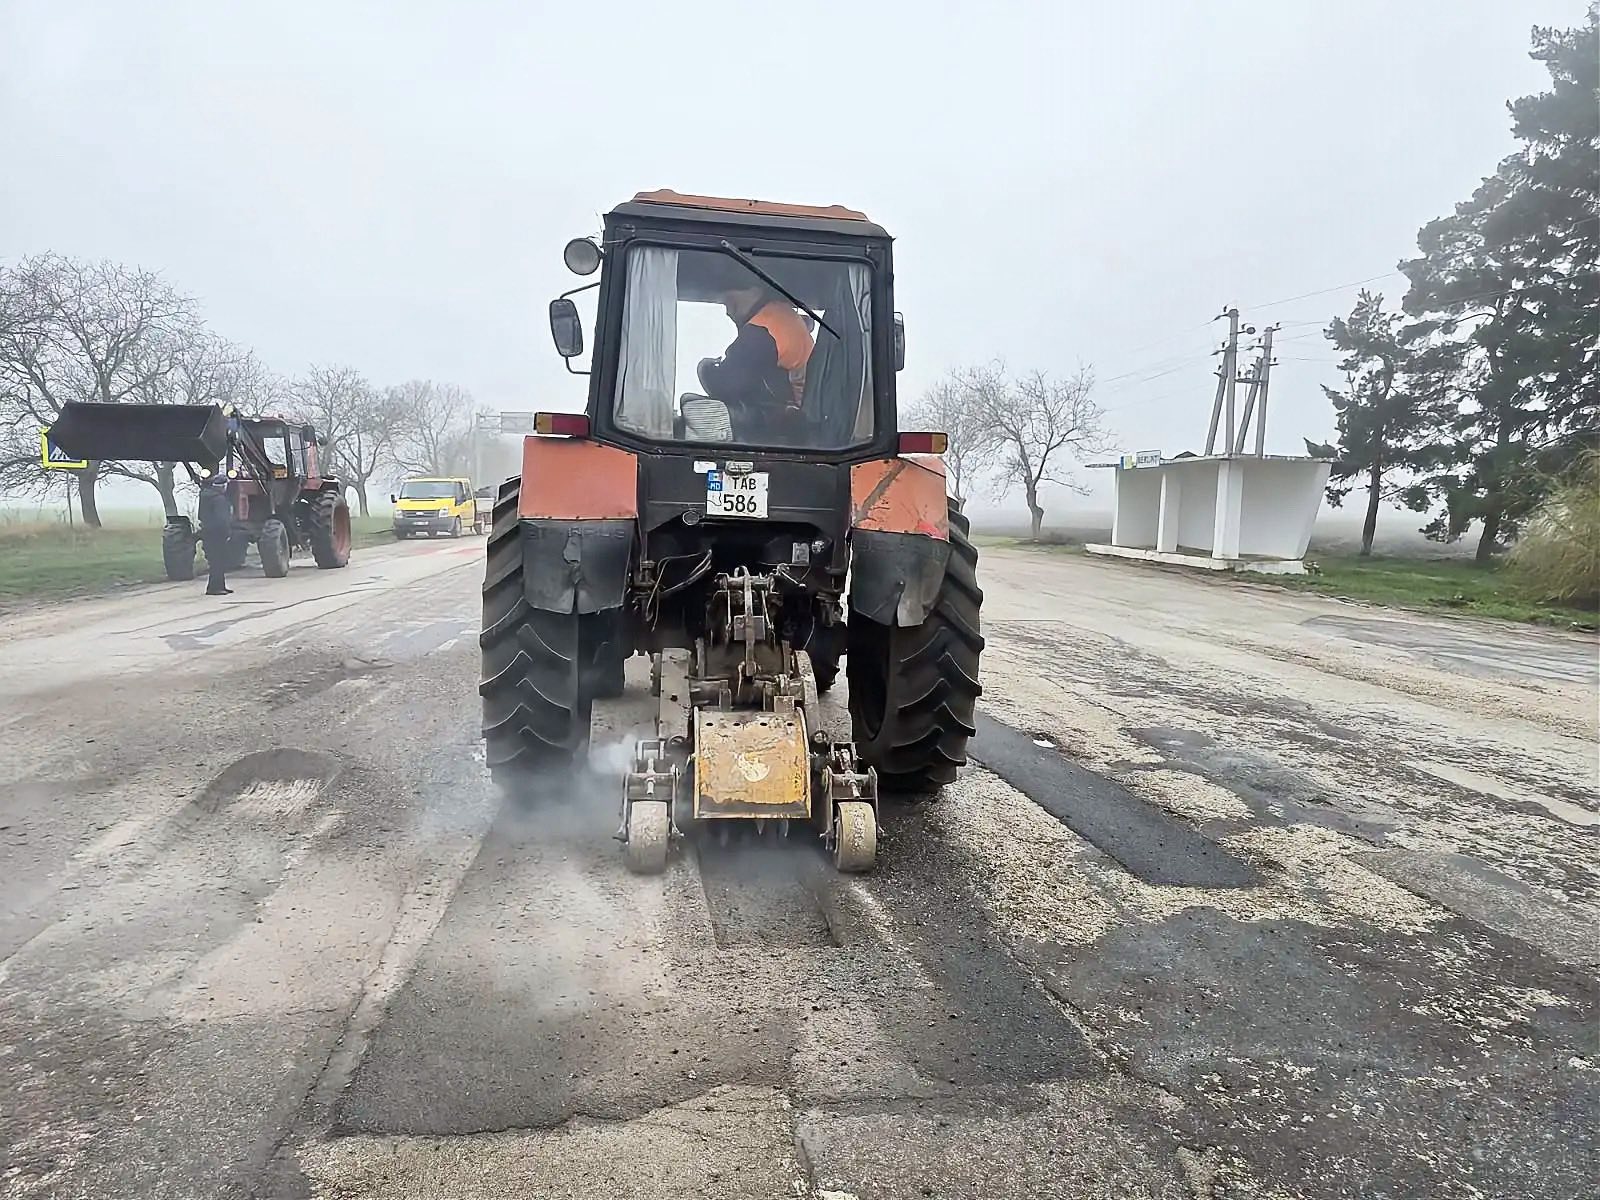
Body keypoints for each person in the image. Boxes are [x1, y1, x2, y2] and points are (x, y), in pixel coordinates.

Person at [696, 283, 814, 438]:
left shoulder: (763, 329)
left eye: (731, 302)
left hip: (783, 428)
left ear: (755, 289)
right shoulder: (785, 316)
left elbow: (725, 385)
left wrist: (704, 367)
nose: (728, 312)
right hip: (800, 421)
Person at [198, 470, 234, 596]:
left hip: (208, 532)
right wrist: (227, 532)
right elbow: (223, 519)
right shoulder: (219, 499)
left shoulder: (205, 496)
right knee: (218, 561)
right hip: (217, 535)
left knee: (215, 561)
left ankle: (219, 586)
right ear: (223, 486)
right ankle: (215, 588)